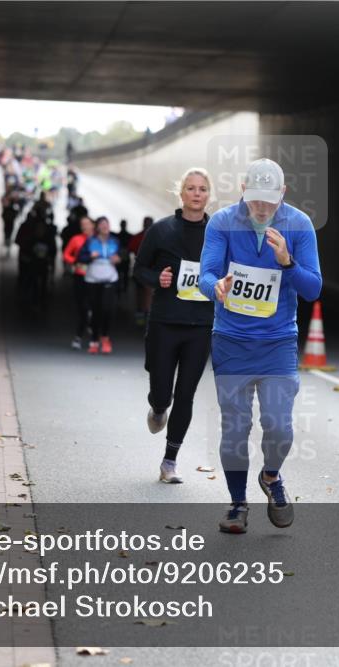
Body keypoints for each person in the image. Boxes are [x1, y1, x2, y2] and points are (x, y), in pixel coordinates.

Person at [199, 158, 322, 534]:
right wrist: (215, 287)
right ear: (242, 189)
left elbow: (313, 288)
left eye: (269, 200)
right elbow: (206, 273)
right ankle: (237, 504)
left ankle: (271, 476)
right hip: (232, 340)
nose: (262, 207)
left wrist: (287, 262)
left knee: (279, 427)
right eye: (255, 199)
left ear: (283, 193)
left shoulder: (299, 225)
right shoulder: (221, 222)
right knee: (235, 428)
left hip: (278, 341)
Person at [134, 169, 215, 483]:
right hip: (165, 322)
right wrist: (158, 279)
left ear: (209, 195)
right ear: (181, 194)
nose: (197, 194)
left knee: (186, 395)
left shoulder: (217, 233)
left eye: (203, 189)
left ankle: (170, 461)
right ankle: (157, 408)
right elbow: (140, 268)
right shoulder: (162, 230)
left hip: (200, 325)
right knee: (162, 393)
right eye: (191, 188)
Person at [78, 216, 121, 354]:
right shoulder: (91, 241)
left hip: (110, 278)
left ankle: (105, 337)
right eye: (101, 224)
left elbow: (123, 257)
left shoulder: (115, 241)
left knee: (107, 309)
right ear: (97, 227)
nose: (104, 226)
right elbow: (80, 257)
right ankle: (94, 339)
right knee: (96, 310)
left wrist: (118, 259)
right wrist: (90, 257)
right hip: (93, 279)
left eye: (106, 224)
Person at [63, 216, 94, 349]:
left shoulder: (97, 240)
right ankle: (81, 331)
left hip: (95, 277)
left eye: (87, 224)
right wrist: (74, 262)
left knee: (95, 306)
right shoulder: (76, 239)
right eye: (82, 224)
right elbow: (66, 254)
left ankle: (94, 335)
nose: (84, 227)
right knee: (82, 306)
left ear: (93, 225)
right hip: (80, 275)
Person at [129, 216, 155, 325]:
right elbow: (129, 250)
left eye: (149, 223)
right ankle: (142, 313)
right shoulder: (138, 237)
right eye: (146, 223)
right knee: (140, 292)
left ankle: (145, 313)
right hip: (140, 269)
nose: (147, 226)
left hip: (150, 269)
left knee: (147, 291)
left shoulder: (157, 237)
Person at [116, 219, 133, 294]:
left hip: (121, 258)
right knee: (124, 276)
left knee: (120, 275)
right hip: (124, 258)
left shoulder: (117, 236)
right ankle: (124, 291)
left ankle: (120, 291)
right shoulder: (130, 236)